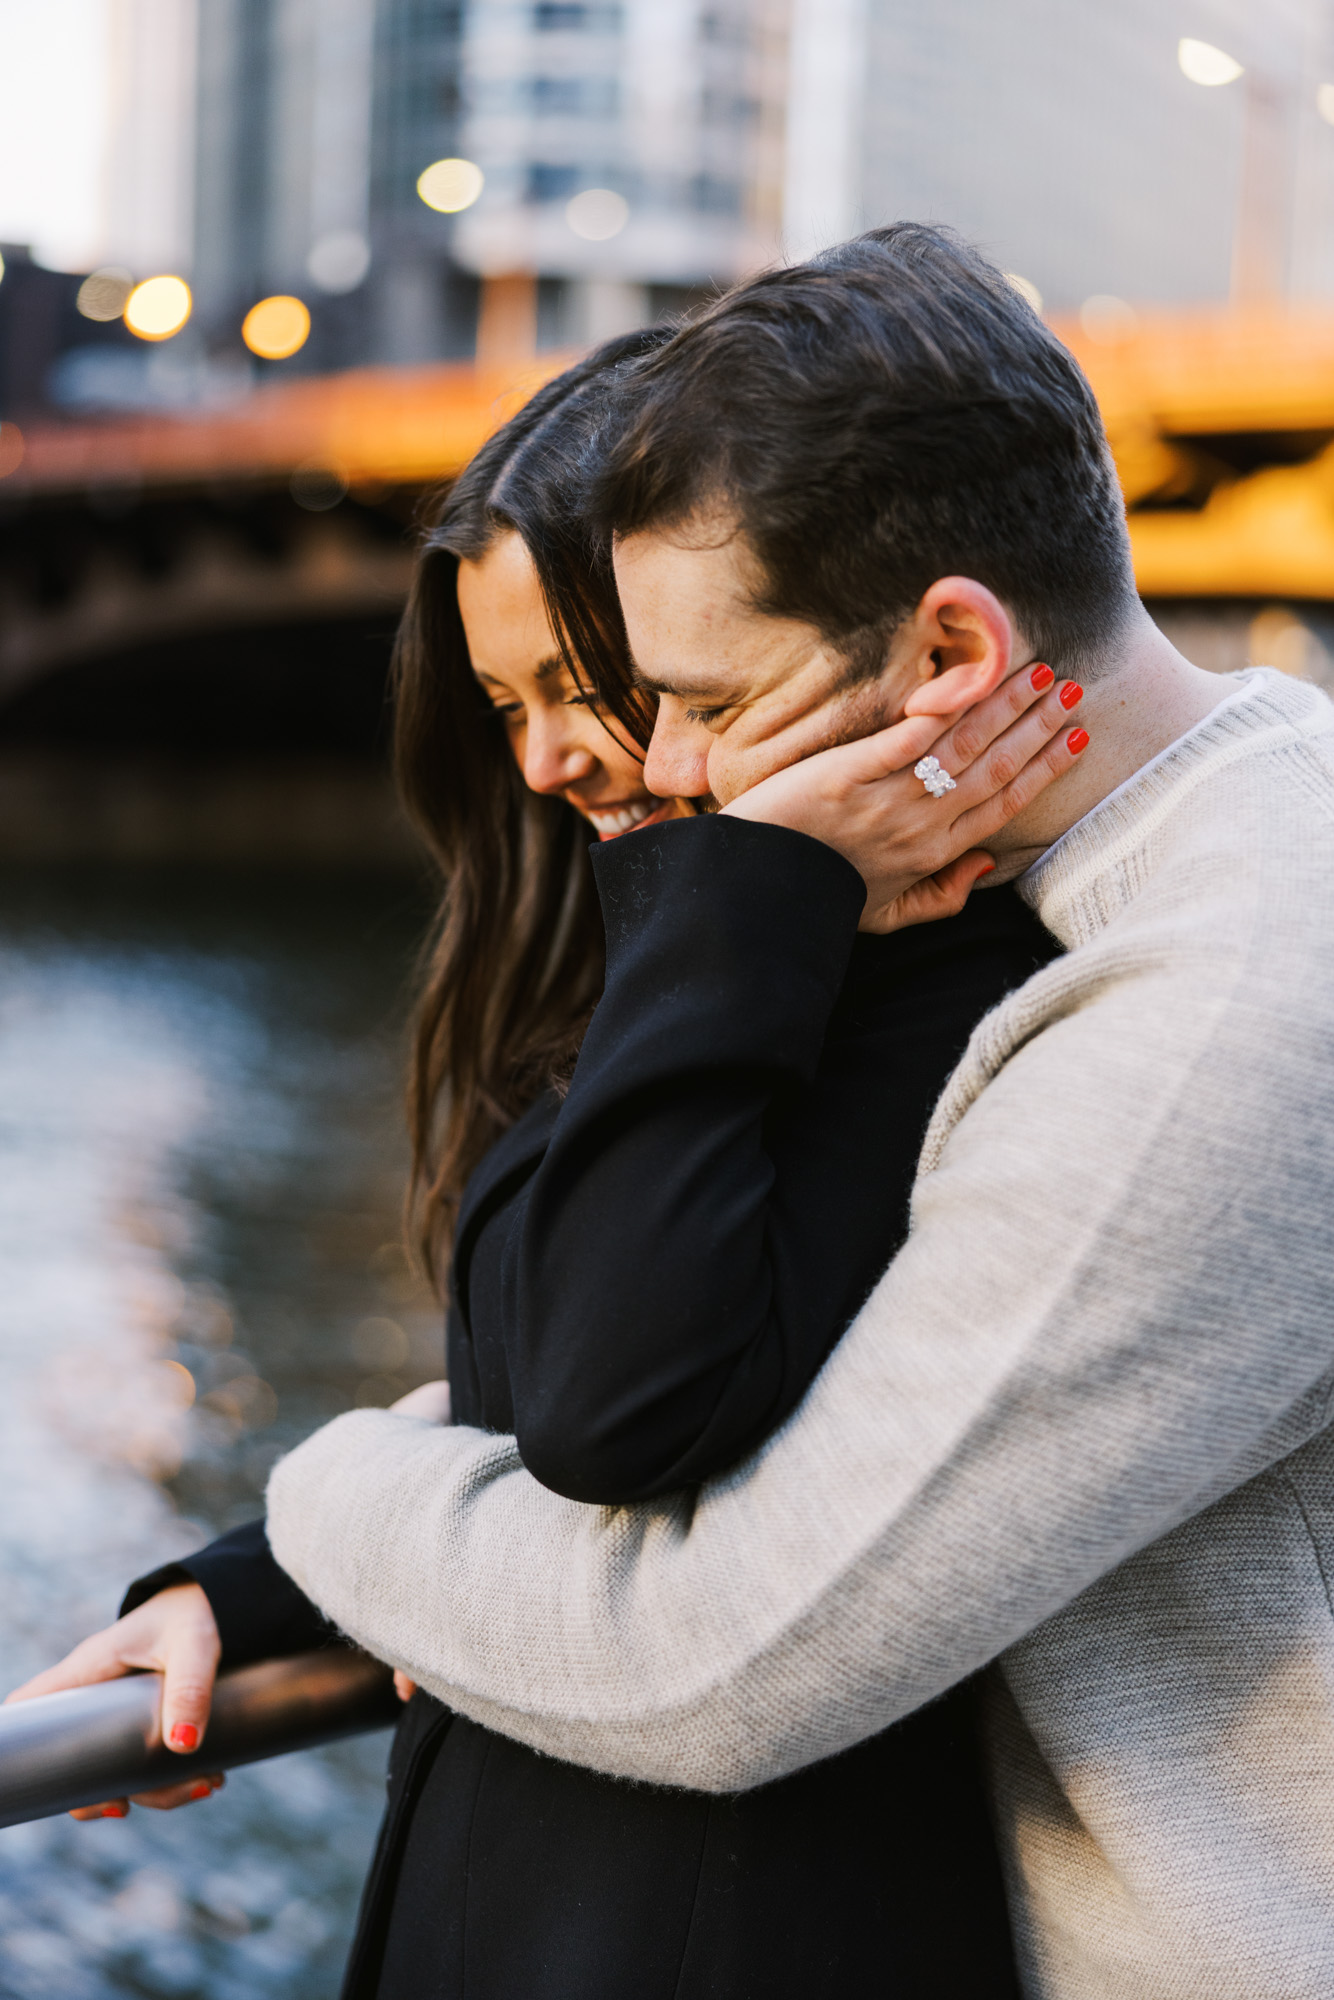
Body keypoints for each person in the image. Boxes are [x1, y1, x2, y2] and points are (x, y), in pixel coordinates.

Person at [243, 226, 1334, 2000]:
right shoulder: (1173, 865)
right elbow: (846, 1377)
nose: (667, 772)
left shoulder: (1229, 1000)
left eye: (710, 702)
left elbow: (711, 1661)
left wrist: (326, 1490)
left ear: (953, 652)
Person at [12, 321, 1081, 1997]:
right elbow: (538, 1380)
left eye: (599, 689)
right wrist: (262, 1580)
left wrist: (741, 892)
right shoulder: (680, 971)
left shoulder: (940, 998)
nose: (553, 762)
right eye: (504, 700)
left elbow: (618, 1409)